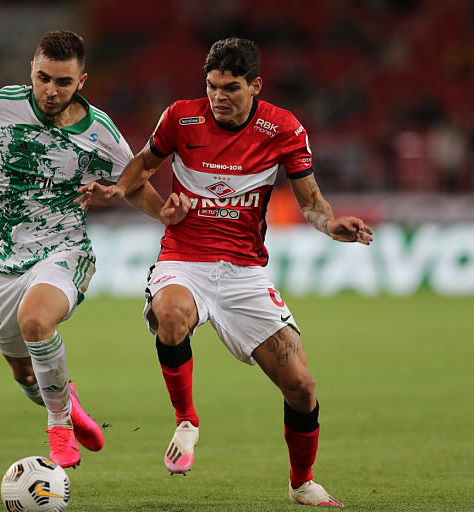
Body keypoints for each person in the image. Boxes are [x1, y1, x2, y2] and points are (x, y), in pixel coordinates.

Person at [76, 38, 373, 506]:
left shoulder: (284, 129)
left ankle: (301, 483)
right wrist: (116, 191)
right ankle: (186, 420)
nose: (218, 96)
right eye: (212, 86)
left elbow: (312, 202)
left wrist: (330, 224)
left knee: (301, 386)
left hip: (244, 274)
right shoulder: (180, 117)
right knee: (170, 314)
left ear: (256, 85)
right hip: (184, 259)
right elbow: (143, 165)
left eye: (230, 87)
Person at [0, 30, 175, 469]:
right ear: (32, 71)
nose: (50, 90)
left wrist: (165, 214)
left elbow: (133, 182)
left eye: (63, 82)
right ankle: (66, 402)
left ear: (81, 81)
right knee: (25, 374)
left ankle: (59, 426)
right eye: (43, 78)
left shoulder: (99, 131)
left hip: (64, 249)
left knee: (37, 321)